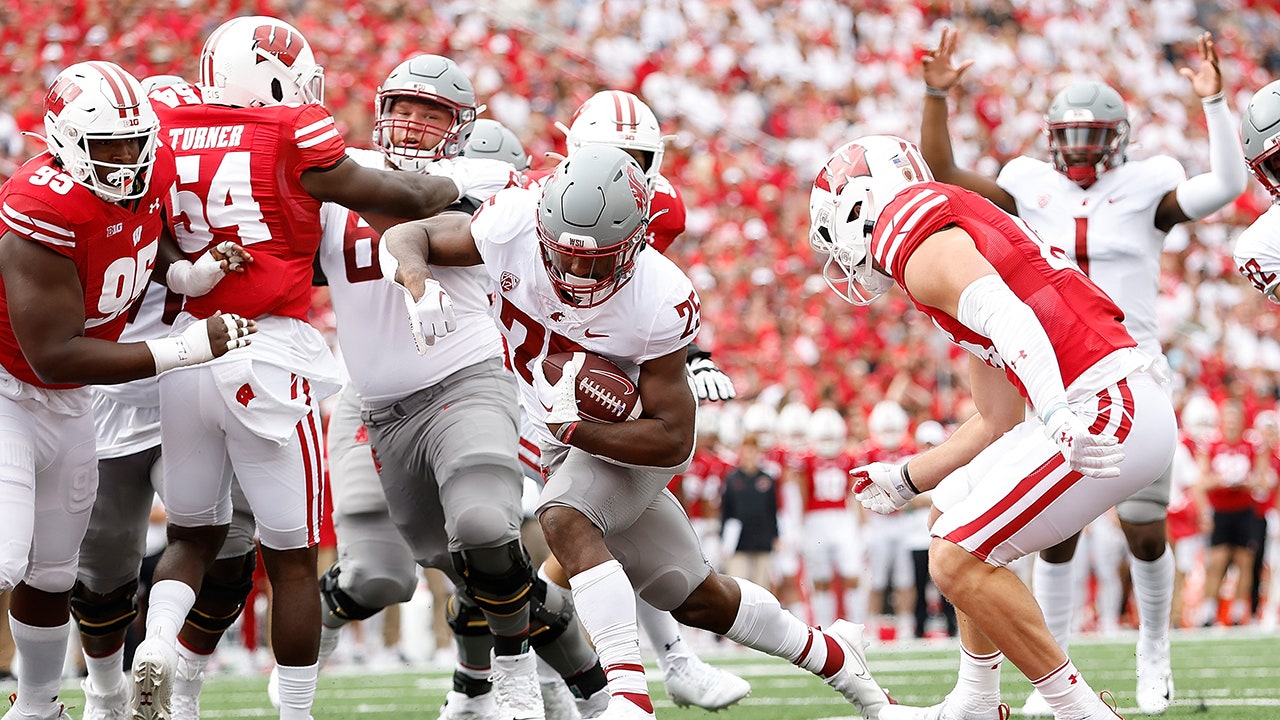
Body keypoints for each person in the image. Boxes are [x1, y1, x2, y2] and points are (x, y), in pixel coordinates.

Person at [381, 144, 891, 720]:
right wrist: (419, 284)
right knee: (696, 597)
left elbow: (673, 439)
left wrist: (574, 427)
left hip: (628, 442)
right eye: (565, 256)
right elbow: (409, 237)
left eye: (597, 260)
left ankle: (627, 699)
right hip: (561, 439)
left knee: (563, 517)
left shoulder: (658, 296)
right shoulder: (513, 221)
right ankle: (852, 673)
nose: (577, 272)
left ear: (636, 240)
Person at [130, 17, 504, 720]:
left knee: (192, 538)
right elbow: (402, 200)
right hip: (269, 352)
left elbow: (151, 251)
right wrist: (442, 188)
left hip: (187, 347)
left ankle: (162, 659)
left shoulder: (169, 127)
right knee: (294, 559)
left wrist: (193, 270)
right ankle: (295, 713)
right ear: (269, 73)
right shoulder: (290, 130)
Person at [918, 27, 1246, 716]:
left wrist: (1215, 104)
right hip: (1057, 378)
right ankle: (1052, 669)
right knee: (1053, 532)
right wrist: (937, 97)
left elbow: (1224, 184)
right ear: (1050, 137)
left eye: (1095, 135)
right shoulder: (1028, 184)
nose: (1081, 149)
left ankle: (1153, 652)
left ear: (1118, 139)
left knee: (1144, 524)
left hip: (1135, 371)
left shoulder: (1148, 185)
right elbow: (944, 175)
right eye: (1071, 134)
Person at [809, 134, 1177, 720]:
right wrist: (908, 477)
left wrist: (1056, 414)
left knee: (956, 557)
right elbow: (997, 419)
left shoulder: (909, 225)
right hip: (1104, 394)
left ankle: (1081, 711)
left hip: (1106, 398)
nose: (838, 254)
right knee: (950, 507)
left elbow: (1012, 318)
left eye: (833, 230)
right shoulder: (949, 242)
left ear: (862, 206)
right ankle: (976, 701)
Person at [301, 53, 607, 720]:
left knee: (484, 531)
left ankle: (519, 676)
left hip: (459, 380)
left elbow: (429, 217)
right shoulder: (340, 173)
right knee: (440, 569)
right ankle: (591, 687)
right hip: (372, 401)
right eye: (402, 108)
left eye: (430, 112)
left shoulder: (478, 177)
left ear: (461, 125)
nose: (411, 123)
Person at [0, 60, 255, 720]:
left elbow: (144, 238)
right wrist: (184, 349)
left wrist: (186, 274)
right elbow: (55, 357)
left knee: (56, 572)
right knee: (5, 557)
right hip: (13, 388)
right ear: (61, 142)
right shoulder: (40, 206)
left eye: (134, 143)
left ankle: (38, 707)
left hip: (75, 406)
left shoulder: (148, 172)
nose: (125, 161)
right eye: (106, 148)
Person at [527, 90, 752, 712]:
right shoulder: (536, 201)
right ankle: (514, 677)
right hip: (524, 371)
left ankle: (654, 665)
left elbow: (641, 303)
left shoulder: (660, 209)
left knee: (600, 527)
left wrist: (693, 356)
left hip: (595, 370)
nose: (623, 168)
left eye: (638, 156)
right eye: (609, 154)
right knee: (531, 539)